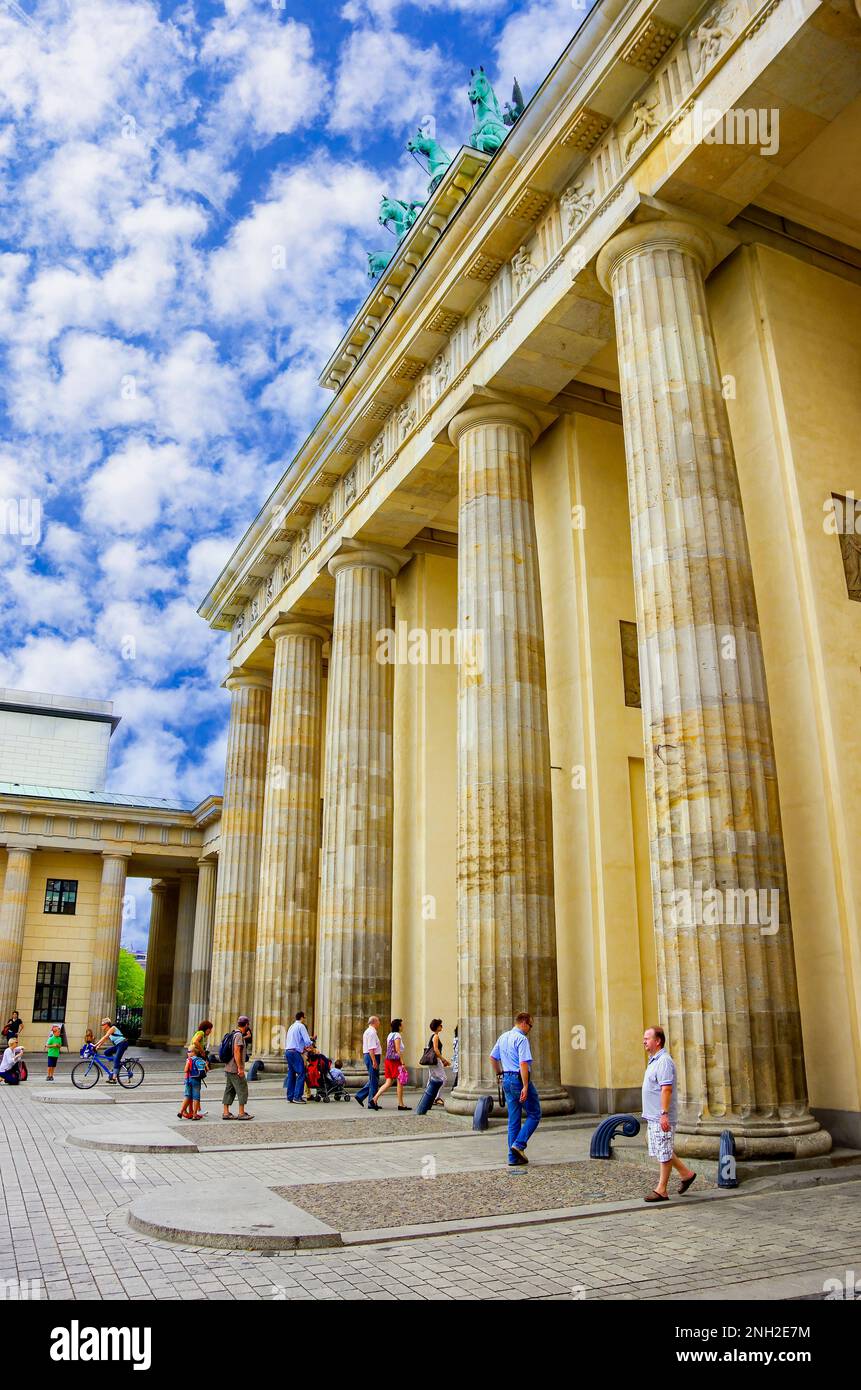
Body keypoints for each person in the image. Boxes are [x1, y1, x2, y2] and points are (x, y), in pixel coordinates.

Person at [641, 1025, 696, 1202]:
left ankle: (662, 1189)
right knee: (661, 1148)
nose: (644, 1041)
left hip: (661, 1116)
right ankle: (686, 1174)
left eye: (647, 1038)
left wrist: (664, 1113)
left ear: (658, 1041)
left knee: (664, 1151)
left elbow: (666, 1089)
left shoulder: (664, 1061)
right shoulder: (654, 1060)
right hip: (653, 1115)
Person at [490, 1012, 541, 1166]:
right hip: (518, 1079)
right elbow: (523, 1063)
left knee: (513, 1120)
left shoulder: (503, 1037)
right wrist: (525, 1085)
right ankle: (519, 1145)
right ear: (524, 1023)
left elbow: (492, 1057)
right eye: (530, 1026)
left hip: (506, 1078)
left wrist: (499, 1073)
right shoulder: (521, 1039)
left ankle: (513, 1158)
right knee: (534, 1113)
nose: (530, 1029)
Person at [372, 1018, 412, 1110]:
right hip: (395, 1061)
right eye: (402, 1024)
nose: (403, 1026)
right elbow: (398, 1050)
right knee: (400, 1082)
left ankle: (374, 1098)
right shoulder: (397, 1035)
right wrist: (403, 1063)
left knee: (388, 1082)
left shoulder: (390, 1035)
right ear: (398, 1026)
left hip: (388, 1060)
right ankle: (401, 1104)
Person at [222, 1015, 254, 1121]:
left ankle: (226, 1112)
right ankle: (241, 1113)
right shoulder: (239, 1035)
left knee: (229, 1089)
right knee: (242, 1088)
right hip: (235, 1068)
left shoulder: (234, 1033)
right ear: (246, 1025)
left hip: (228, 1067)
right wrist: (240, 1068)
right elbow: (236, 1051)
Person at [415, 1019, 449, 1115]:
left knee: (431, 1079)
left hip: (432, 1061)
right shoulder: (436, 1036)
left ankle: (429, 1097)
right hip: (435, 1061)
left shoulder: (432, 1036)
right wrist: (443, 1060)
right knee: (444, 1079)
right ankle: (436, 1097)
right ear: (437, 1027)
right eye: (440, 1025)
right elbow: (436, 1050)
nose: (442, 1026)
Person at [179, 1021, 212, 1120]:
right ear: (207, 1028)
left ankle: (187, 1111)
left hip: (189, 1077)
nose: (210, 1032)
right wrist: (202, 1052)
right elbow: (196, 1042)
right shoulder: (201, 1033)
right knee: (196, 1095)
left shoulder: (189, 1059)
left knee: (188, 1094)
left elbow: (186, 1070)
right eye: (210, 1029)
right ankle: (193, 1113)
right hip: (195, 1075)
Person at [284, 1010, 313, 1104]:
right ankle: (297, 1097)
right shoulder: (301, 1026)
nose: (305, 1019)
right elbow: (307, 1041)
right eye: (304, 1017)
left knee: (291, 1074)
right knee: (302, 1073)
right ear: (301, 1017)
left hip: (288, 1051)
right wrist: (310, 1045)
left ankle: (290, 1096)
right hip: (295, 1052)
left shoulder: (291, 1026)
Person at [355, 1016, 382, 1109]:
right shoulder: (371, 1032)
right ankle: (371, 1102)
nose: (379, 1022)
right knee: (374, 1079)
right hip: (372, 1056)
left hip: (370, 1056)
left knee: (373, 1078)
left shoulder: (369, 1031)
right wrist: (374, 1061)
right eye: (378, 1020)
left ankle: (360, 1096)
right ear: (374, 1022)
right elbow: (371, 1048)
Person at [93, 1018, 127, 1083]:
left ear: (107, 1024)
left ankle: (114, 1078)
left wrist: (95, 1045)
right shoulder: (108, 1031)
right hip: (118, 1045)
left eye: (102, 1024)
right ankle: (118, 1064)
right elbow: (104, 1040)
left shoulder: (112, 1028)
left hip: (123, 1043)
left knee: (116, 1059)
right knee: (106, 1052)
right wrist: (97, 1047)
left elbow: (105, 1037)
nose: (101, 1026)